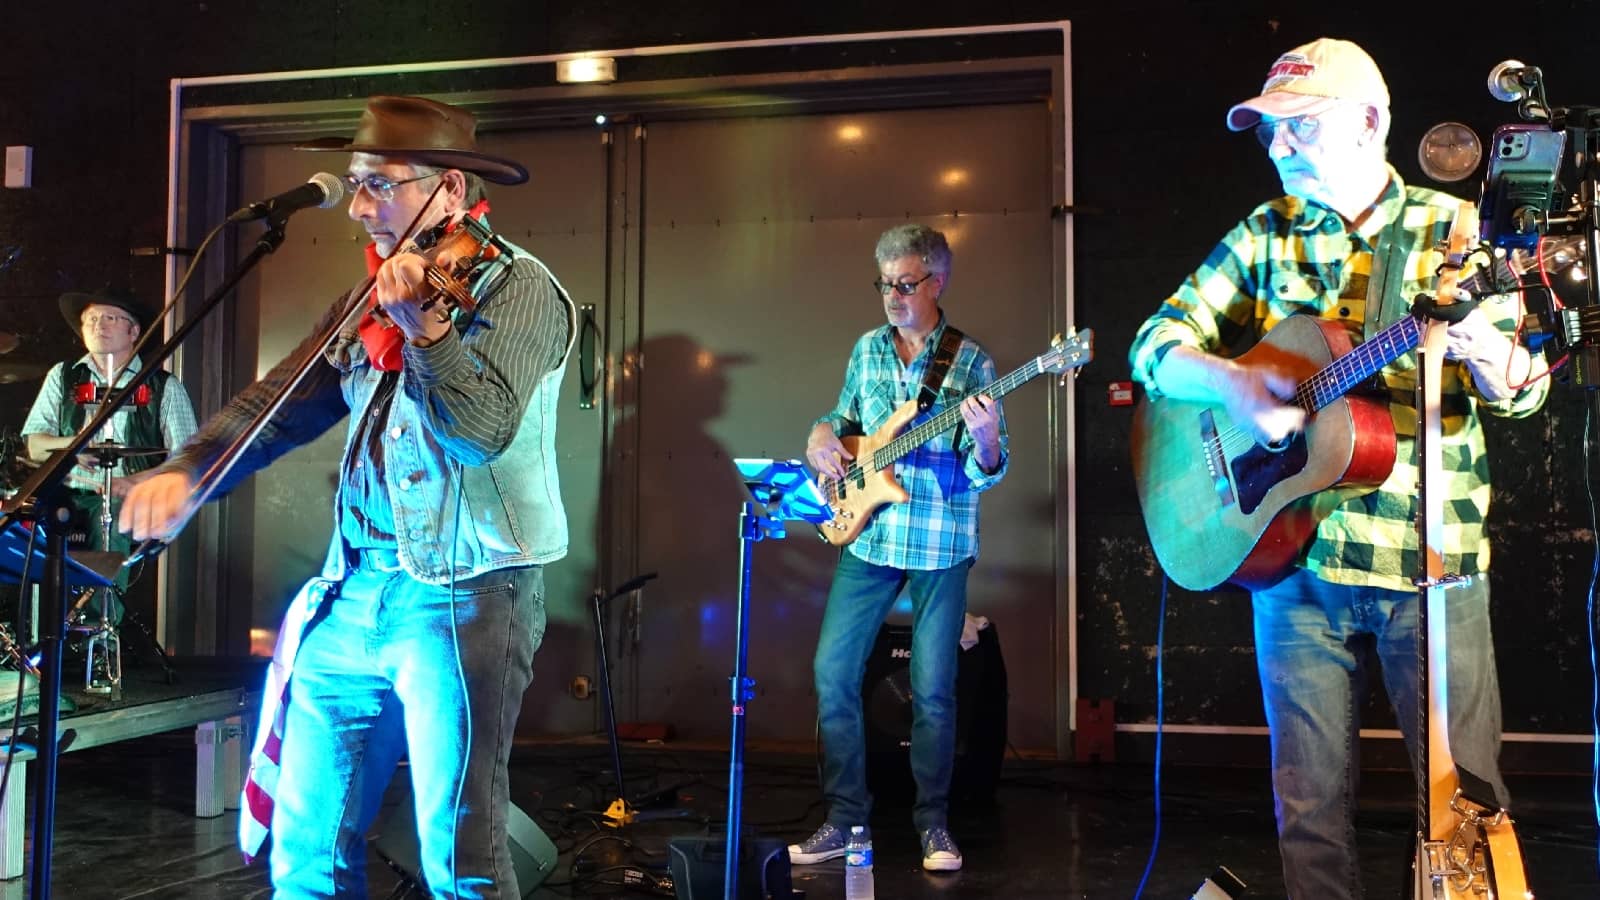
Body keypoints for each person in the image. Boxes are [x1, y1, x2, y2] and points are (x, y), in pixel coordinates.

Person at [119, 95, 576, 898]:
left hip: (465, 594)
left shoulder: (522, 290)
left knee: (459, 853)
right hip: (355, 585)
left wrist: (430, 338)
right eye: (357, 184)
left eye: (380, 185)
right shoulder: (370, 298)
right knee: (307, 844)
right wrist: (189, 469)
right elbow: (282, 400)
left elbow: (481, 432)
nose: (359, 206)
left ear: (450, 190)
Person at [1126, 38, 1549, 897]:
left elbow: (1524, 391)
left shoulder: (1459, 232)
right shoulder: (1263, 233)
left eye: (1300, 128)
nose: (1278, 147)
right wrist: (1237, 384)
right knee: (1306, 808)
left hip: (1430, 561)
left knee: (1465, 805)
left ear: (1368, 122)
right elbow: (1153, 347)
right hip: (1295, 555)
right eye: (1269, 132)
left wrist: (1481, 348)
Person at [791, 223, 1007, 873]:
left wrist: (989, 437)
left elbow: (987, 468)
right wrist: (823, 434)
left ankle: (933, 825)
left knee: (934, 688)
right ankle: (845, 816)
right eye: (884, 283)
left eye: (905, 284)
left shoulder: (973, 363)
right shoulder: (867, 350)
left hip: (939, 543)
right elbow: (848, 426)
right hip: (871, 534)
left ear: (937, 282)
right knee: (832, 673)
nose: (892, 295)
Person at [20, 285, 198, 607]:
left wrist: (133, 482)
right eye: (91, 319)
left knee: (112, 515)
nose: (98, 325)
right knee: (24, 521)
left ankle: (98, 630)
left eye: (110, 318)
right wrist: (74, 445)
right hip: (68, 495)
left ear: (134, 332)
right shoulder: (62, 377)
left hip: (129, 498)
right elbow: (35, 445)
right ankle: (37, 632)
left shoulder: (163, 386)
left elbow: (188, 459)